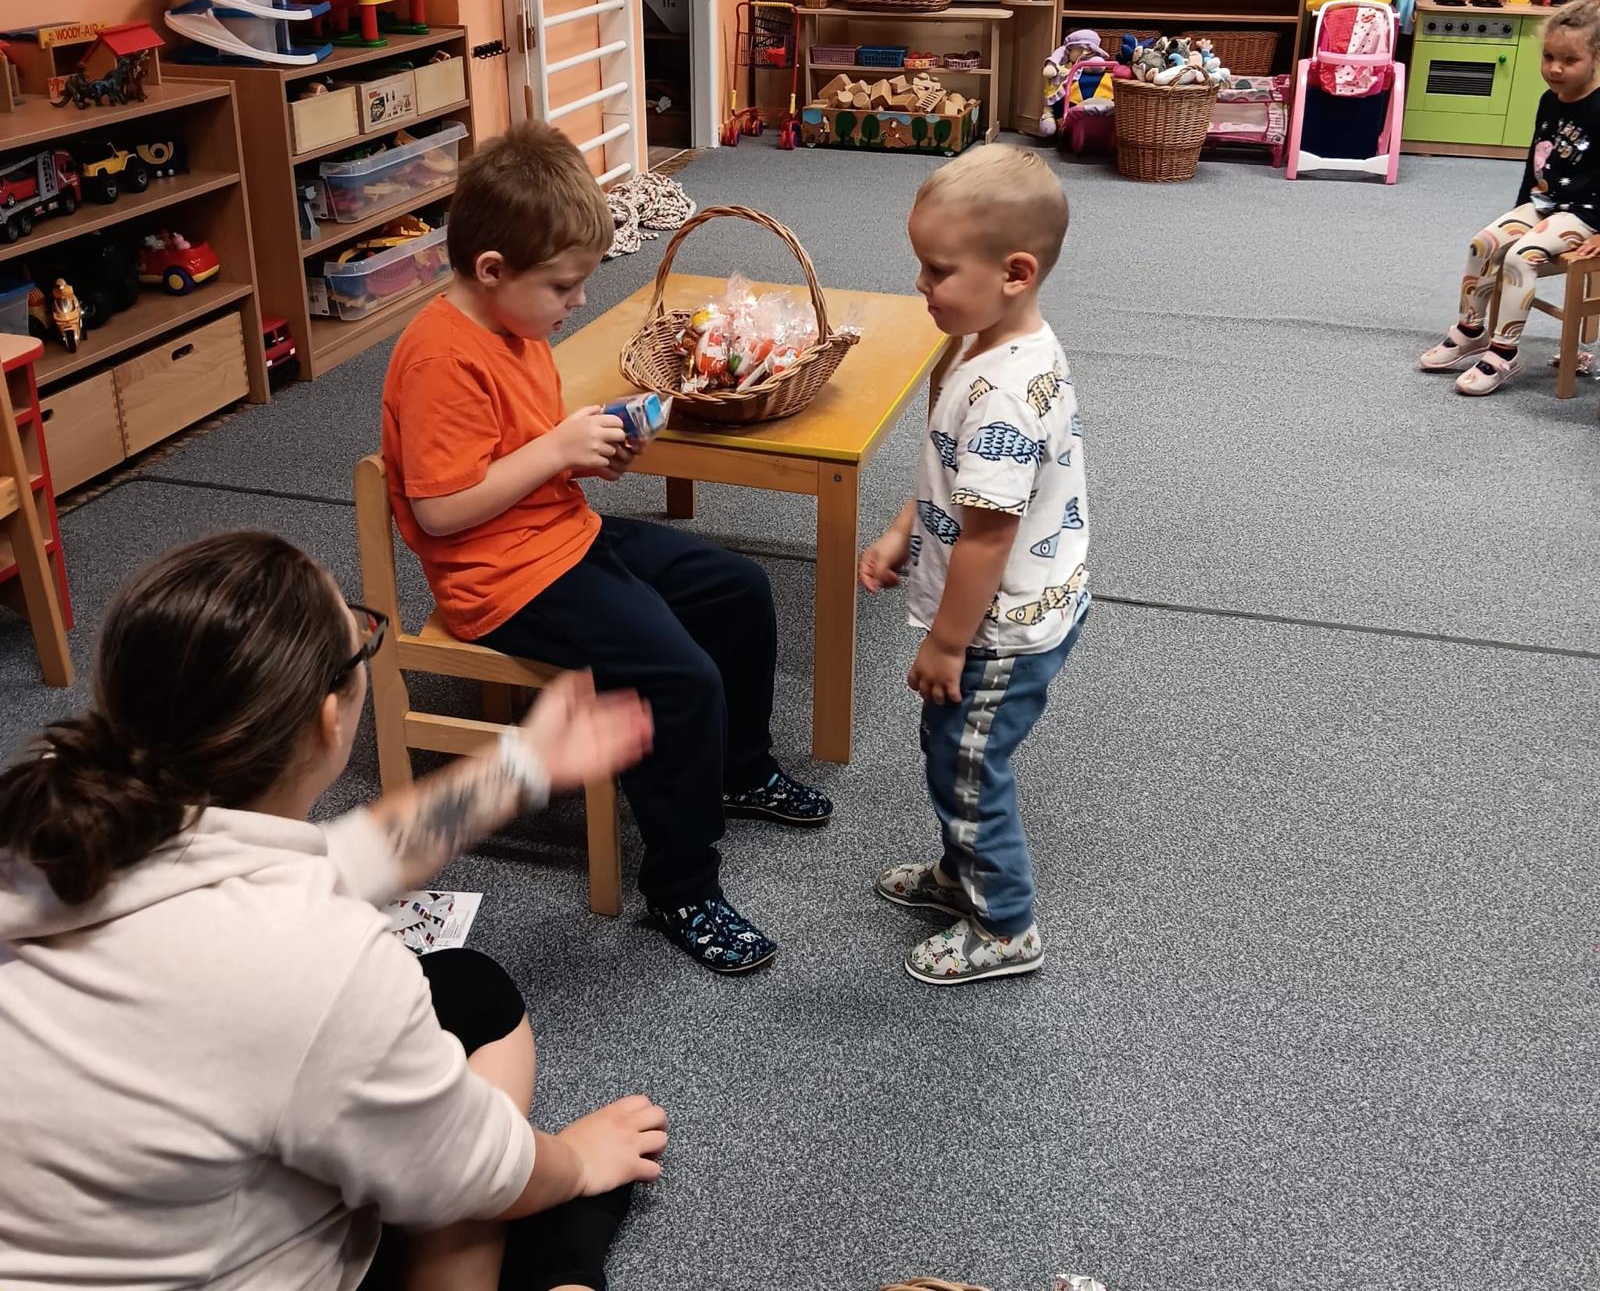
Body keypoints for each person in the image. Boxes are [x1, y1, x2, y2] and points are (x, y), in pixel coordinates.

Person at [0, 531, 666, 1291]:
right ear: (328, 719)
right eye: (362, 634)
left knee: (468, 989)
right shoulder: (318, 961)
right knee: (554, 1210)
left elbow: (345, 857)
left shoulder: (59, 807)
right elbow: (473, 1170)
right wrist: (576, 1161)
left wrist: (520, 768)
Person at [380, 121, 831, 976]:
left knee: (738, 588)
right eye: (564, 286)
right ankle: (681, 887)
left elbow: (513, 453)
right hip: (500, 579)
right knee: (679, 676)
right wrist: (557, 451)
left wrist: (583, 453)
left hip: (557, 534)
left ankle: (739, 769)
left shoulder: (513, 326)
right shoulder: (439, 357)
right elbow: (439, 512)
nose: (578, 302)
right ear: (491, 270)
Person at [858, 144, 1089, 986]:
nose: (921, 284)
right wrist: (903, 530)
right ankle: (963, 875)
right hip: (1007, 606)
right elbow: (951, 475)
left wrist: (948, 643)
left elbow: (989, 538)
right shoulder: (984, 342)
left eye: (938, 269)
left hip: (996, 630)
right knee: (951, 752)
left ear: (1015, 273)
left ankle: (1006, 925)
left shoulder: (1002, 394)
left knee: (969, 766)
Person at [1420, 0, 1600, 395]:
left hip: (1587, 214)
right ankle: (1471, 330)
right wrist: (1518, 211)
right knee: (1484, 243)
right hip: (1545, 203)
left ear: (1596, 57)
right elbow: (1537, 159)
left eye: (1570, 60)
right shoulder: (1549, 101)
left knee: (1521, 257)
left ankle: (1504, 352)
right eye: (1548, 57)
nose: (1554, 69)